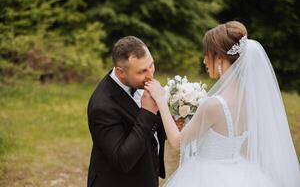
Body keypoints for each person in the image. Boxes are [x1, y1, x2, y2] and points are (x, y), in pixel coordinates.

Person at [145, 21, 300, 187]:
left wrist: (161, 100)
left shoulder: (214, 105)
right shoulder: (249, 99)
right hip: (241, 173)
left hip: (206, 176)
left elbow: (177, 141)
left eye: (207, 54)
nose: (204, 60)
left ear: (219, 58)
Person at [87, 36, 166, 187]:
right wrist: (147, 112)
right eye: (142, 71)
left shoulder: (141, 84)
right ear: (121, 72)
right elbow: (122, 160)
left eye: (151, 65)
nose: (150, 75)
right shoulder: (102, 106)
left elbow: (150, 133)